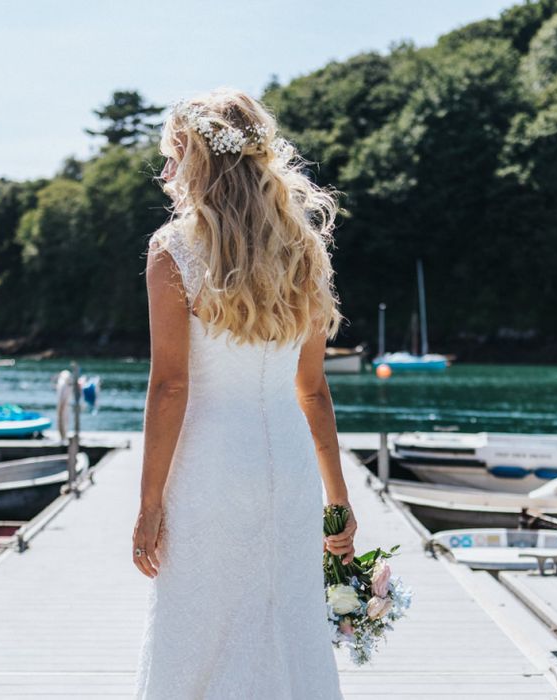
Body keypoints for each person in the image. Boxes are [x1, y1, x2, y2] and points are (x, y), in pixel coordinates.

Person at [133, 88, 356, 699]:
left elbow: (170, 386)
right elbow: (312, 393)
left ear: (198, 160)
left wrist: (150, 504)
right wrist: (337, 501)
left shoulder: (174, 251)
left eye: (173, 157)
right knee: (287, 624)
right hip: (285, 466)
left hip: (209, 467)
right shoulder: (303, 251)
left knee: (199, 628)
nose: (166, 174)